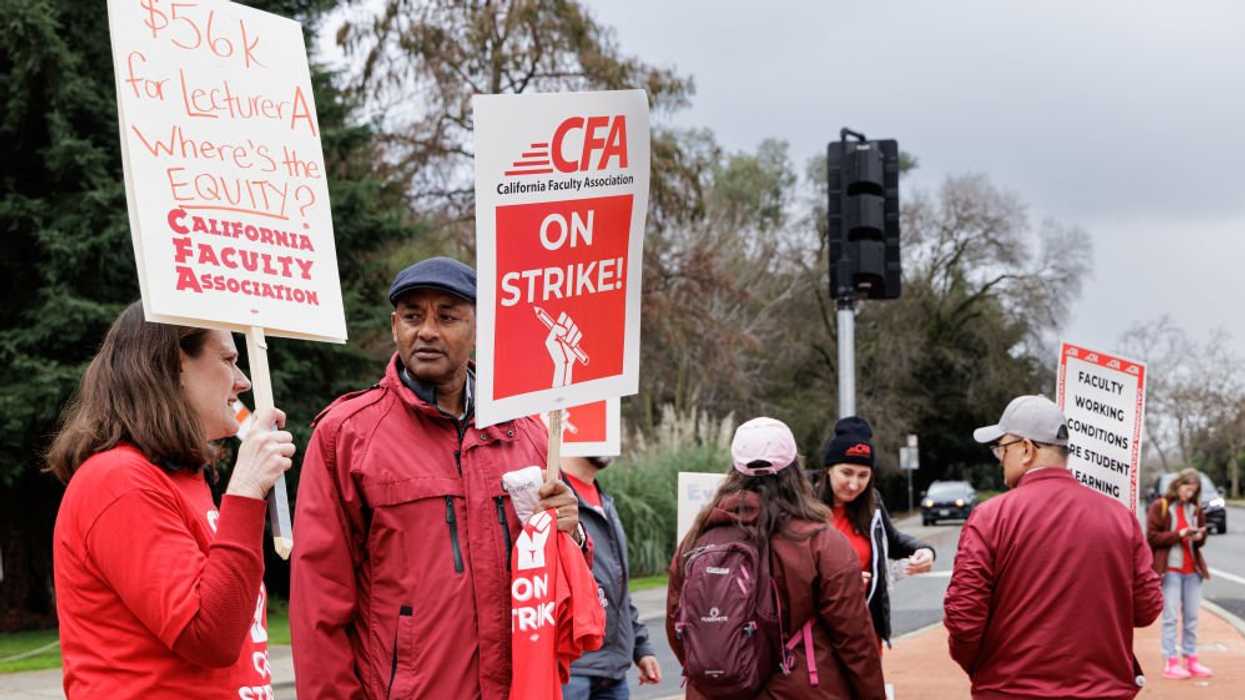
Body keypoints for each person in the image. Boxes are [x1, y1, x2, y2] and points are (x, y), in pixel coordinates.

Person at [290, 257, 587, 699]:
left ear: (479, 327)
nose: (426, 330)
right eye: (412, 316)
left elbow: (562, 577)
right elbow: (319, 601)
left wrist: (574, 533)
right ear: (395, 327)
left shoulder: (526, 432)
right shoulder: (348, 435)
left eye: (447, 316)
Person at [48, 302, 295, 698]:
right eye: (228, 360)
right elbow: (210, 635)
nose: (243, 381)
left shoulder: (181, 480)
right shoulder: (119, 481)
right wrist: (246, 491)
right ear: (174, 365)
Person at [944, 395, 1164, 699]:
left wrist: (984, 669)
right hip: (1103, 690)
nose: (999, 460)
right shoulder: (1119, 517)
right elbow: (1147, 608)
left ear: (1026, 449)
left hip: (1011, 689)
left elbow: (964, 617)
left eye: (1001, 449)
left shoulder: (990, 516)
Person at [667, 417, 886, 699]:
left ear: (734, 470)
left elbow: (679, 627)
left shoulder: (697, 539)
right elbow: (855, 642)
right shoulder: (821, 541)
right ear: (795, 469)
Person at [813, 416, 935, 648]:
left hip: (865, 634)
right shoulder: (803, 506)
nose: (853, 484)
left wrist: (925, 550)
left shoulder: (873, 505)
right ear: (828, 469)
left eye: (863, 475)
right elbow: (790, 572)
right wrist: (838, 583)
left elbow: (896, 542)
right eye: (846, 472)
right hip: (819, 639)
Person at [561, 454, 661, 699]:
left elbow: (619, 588)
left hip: (613, 674)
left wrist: (641, 647)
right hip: (571, 670)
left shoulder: (605, 503)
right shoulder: (554, 499)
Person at [1146, 468, 1214, 680]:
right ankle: (1170, 662)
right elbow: (1152, 538)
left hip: (1192, 570)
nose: (1189, 494)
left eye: (1193, 491)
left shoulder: (1195, 509)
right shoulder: (1161, 506)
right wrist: (1180, 534)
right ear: (1178, 485)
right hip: (1171, 570)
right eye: (1187, 489)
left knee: (1192, 618)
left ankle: (1191, 658)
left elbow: (1200, 540)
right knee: (1171, 618)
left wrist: (1199, 536)